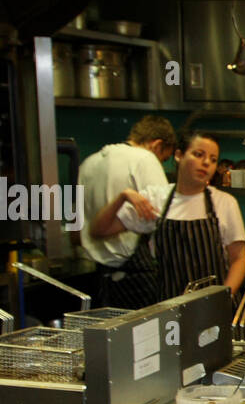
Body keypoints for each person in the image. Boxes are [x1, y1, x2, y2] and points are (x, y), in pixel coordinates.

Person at [89, 130, 245, 301]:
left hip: (217, 309)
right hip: (170, 310)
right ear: (179, 155)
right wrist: (123, 197)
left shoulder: (224, 202)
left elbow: (238, 259)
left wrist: (223, 297)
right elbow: (100, 230)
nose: (206, 163)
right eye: (198, 154)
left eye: (213, 159)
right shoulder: (156, 199)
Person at [76, 116, 178, 308]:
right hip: (137, 273)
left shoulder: (89, 163)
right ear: (157, 145)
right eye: (164, 159)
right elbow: (163, 215)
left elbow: (78, 223)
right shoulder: (145, 158)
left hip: (99, 274)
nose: (162, 164)